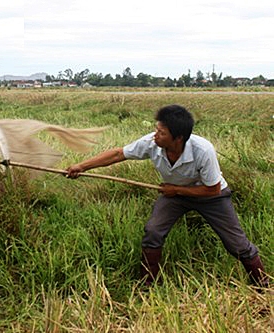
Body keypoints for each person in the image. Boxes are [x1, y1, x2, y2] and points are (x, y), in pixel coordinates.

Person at [66, 104, 269, 288]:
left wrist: (176, 190)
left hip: (210, 196)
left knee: (237, 244)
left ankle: (262, 283)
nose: (155, 135)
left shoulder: (203, 150)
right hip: (174, 194)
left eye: (161, 132)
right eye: (156, 129)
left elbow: (213, 189)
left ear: (178, 138)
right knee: (153, 231)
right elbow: (119, 154)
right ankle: (148, 283)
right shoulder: (152, 143)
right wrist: (81, 166)